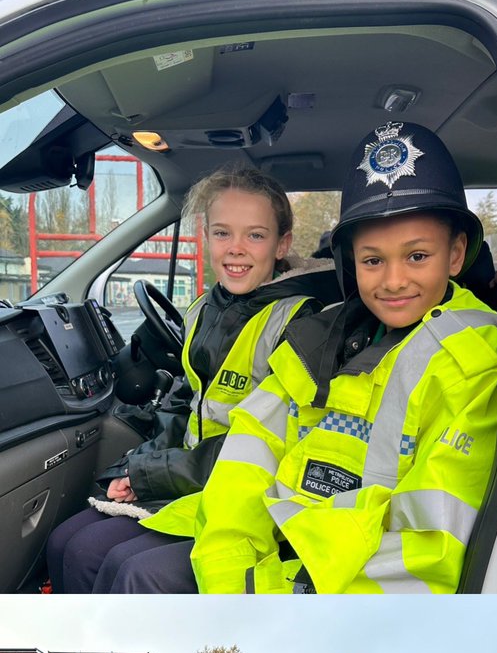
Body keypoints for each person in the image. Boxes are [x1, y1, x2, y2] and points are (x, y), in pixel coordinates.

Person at [130, 120, 497, 594]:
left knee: (138, 573)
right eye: (372, 260)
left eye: (416, 257)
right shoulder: (323, 335)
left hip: (340, 583)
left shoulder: (473, 362)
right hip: (283, 544)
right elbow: (247, 457)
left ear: (455, 255)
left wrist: (282, 595)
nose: (392, 281)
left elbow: (426, 544)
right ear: (351, 263)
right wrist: (234, 575)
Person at [46, 167, 334, 593]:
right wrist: (133, 465)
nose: (236, 249)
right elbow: (185, 403)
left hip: (239, 489)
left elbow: (267, 446)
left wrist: (149, 474)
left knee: (118, 563)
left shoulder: (298, 323)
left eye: (255, 235)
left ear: (282, 244)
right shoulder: (203, 307)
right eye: (222, 233)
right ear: (205, 236)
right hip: (192, 475)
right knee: (66, 543)